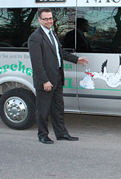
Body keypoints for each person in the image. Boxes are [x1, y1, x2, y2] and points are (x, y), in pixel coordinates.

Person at [28, 8, 88, 144]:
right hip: (46, 81)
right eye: (45, 19)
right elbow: (36, 63)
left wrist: (76, 59)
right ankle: (42, 135)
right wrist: (44, 81)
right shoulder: (35, 38)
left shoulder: (52, 34)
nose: (49, 21)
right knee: (43, 111)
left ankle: (61, 133)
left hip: (57, 78)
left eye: (50, 18)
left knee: (58, 109)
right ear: (39, 20)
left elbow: (60, 53)